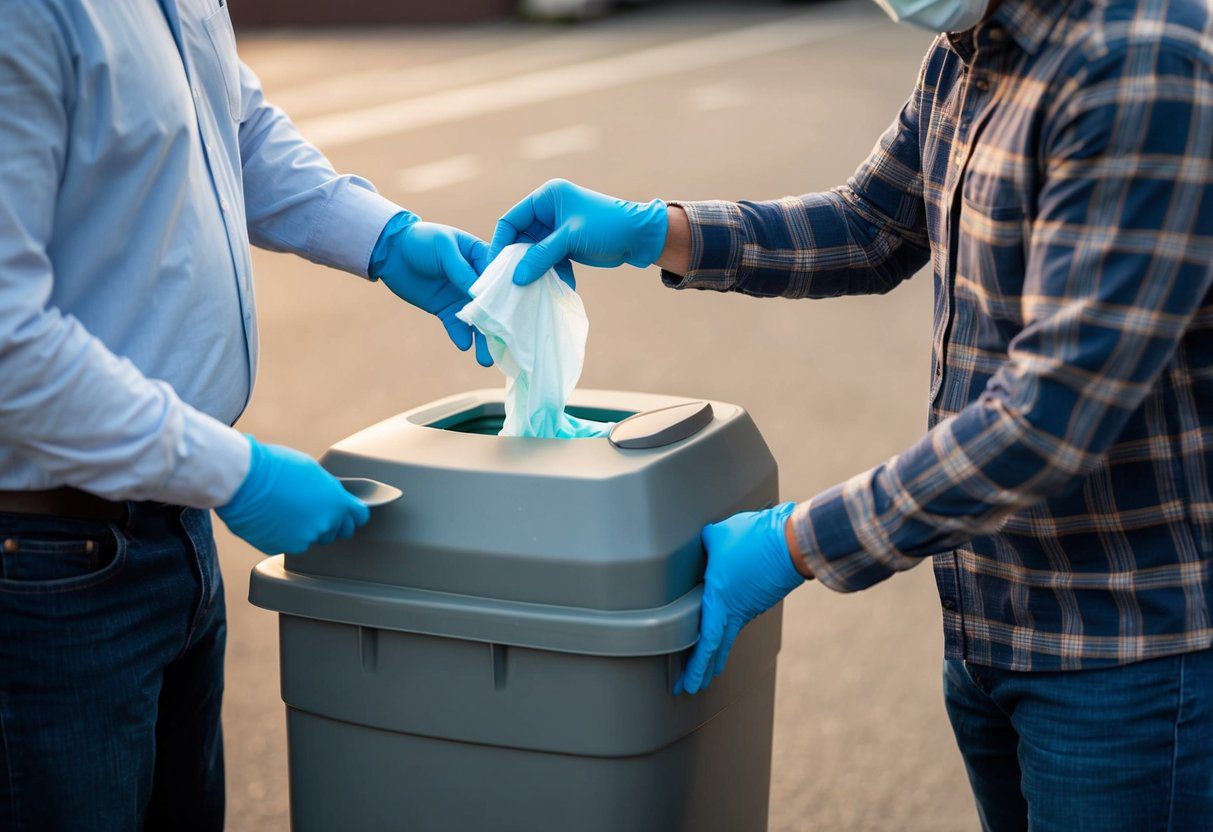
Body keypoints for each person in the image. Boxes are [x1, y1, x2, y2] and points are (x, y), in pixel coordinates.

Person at [490, 0, 1213, 828]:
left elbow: (1048, 417)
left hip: (1122, 656)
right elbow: (871, 226)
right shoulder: (967, 47)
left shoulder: (1139, 63)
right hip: (989, 618)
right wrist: (663, 232)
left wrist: (794, 541)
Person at [0, 2, 492, 829]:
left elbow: (231, 124)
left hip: (172, 529)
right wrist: (238, 472)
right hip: (47, 573)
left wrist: (381, 236)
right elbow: (10, 346)